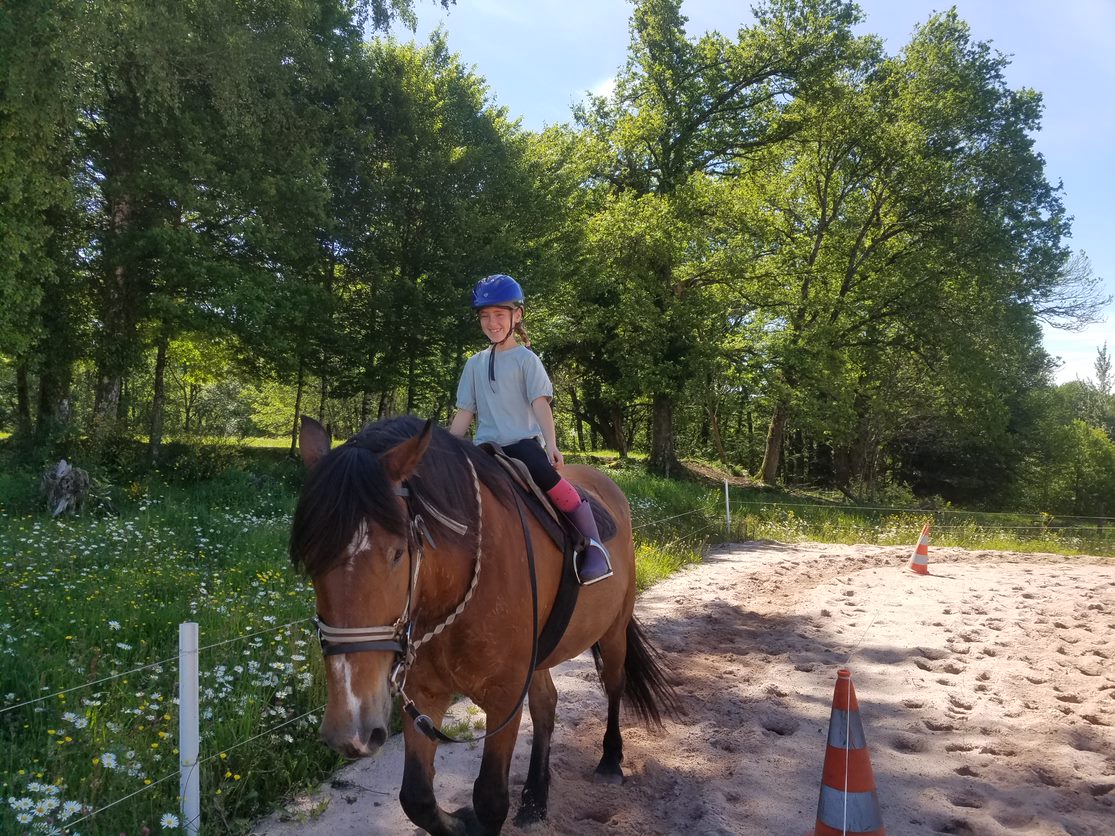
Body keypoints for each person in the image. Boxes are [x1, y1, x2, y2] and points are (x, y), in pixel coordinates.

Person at [449, 274, 612, 585]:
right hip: (484, 447)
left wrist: (550, 443)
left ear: (517, 315)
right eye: (485, 316)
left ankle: (592, 545)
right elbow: (465, 412)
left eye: (499, 314)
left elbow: (540, 404)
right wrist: (443, 447)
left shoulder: (526, 360)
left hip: (520, 443)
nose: (491, 323)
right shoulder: (473, 364)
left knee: (544, 474)